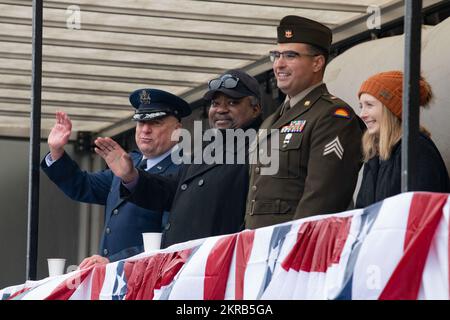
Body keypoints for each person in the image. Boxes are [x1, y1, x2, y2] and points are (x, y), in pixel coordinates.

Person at [94, 69, 262, 248]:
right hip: (189, 264)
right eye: (215, 103)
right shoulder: (207, 151)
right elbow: (170, 191)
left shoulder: (262, 148)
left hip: (224, 261)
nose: (221, 109)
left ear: (255, 109)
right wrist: (131, 176)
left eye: (232, 102)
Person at [41, 89, 191, 267]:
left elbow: (172, 240)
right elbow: (82, 186)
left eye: (155, 123)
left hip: (150, 280)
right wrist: (56, 151)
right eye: (140, 122)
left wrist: (113, 262)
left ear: (177, 130)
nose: (145, 129)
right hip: (115, 283)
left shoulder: (185, 171)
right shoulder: (129, 162)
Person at [245, 15, 365, 229]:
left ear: (317, 62)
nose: (279, 64)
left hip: (298, 250)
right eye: (276, 55)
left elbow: (323, 196)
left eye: (290, 55)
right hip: (261, 249)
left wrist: (294, 243)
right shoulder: (270, 122)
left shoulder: (333, 116)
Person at [355, 71, 450, 208]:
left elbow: (422, 212)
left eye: (369, 105)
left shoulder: (417, 149)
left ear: (391, 108)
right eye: (361, 106)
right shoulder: (375, 154)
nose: (362, 114)